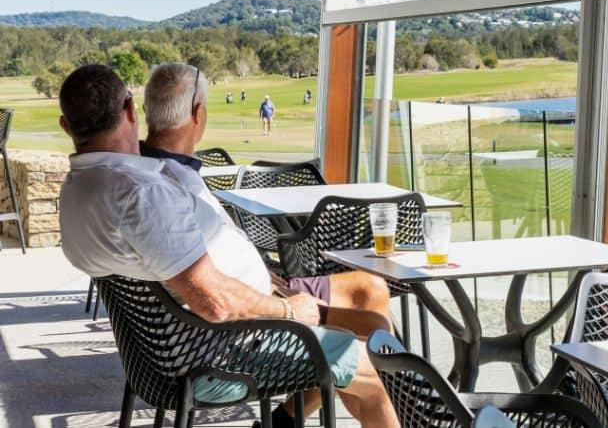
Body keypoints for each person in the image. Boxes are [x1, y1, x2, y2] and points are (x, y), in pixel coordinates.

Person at [58, 65, 398, 428]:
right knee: (374, 364)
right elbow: (214, 301)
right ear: (130, 111)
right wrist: (288, 313)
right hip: (221, 353)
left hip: (174, 351)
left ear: (66, 126)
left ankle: (293, 416)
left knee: (370, 322)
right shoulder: (141, 193)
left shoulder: (78, 190)